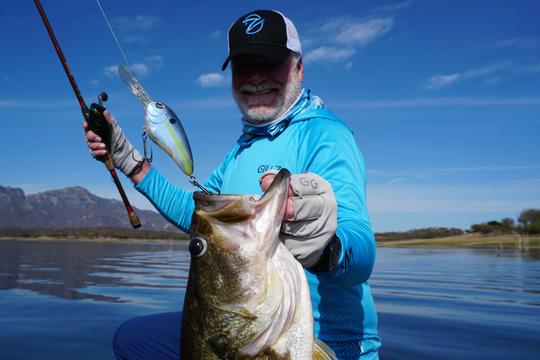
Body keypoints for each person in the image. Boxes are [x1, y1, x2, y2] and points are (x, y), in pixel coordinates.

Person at [84, 9, 380, 360]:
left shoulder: (326, 136)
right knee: (133, 338)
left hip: (324, 342)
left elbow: (362, 253)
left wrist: (325, 246)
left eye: (269, 63)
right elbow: (202, 217)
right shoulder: (243, 148)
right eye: (243, 66)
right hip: (238, 322)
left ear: (298, 68)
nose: (255, 78)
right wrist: (130, 162)